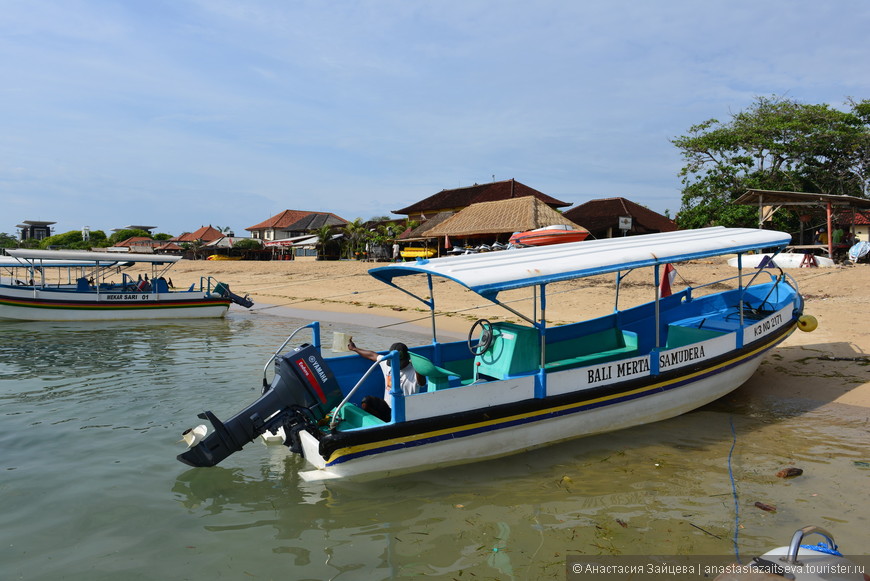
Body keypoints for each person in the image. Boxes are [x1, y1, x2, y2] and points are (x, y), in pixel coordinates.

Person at [347, 339, 424, 415]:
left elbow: (422, 382)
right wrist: (354, 349)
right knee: (366, 401)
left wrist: (418, 365)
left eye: (400, 363)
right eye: (394, 363)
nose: (396, 366)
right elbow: (372, 355)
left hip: (406, 411)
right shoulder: (387, 365)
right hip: (388, 409)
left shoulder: (415, 371)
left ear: (407, 358)